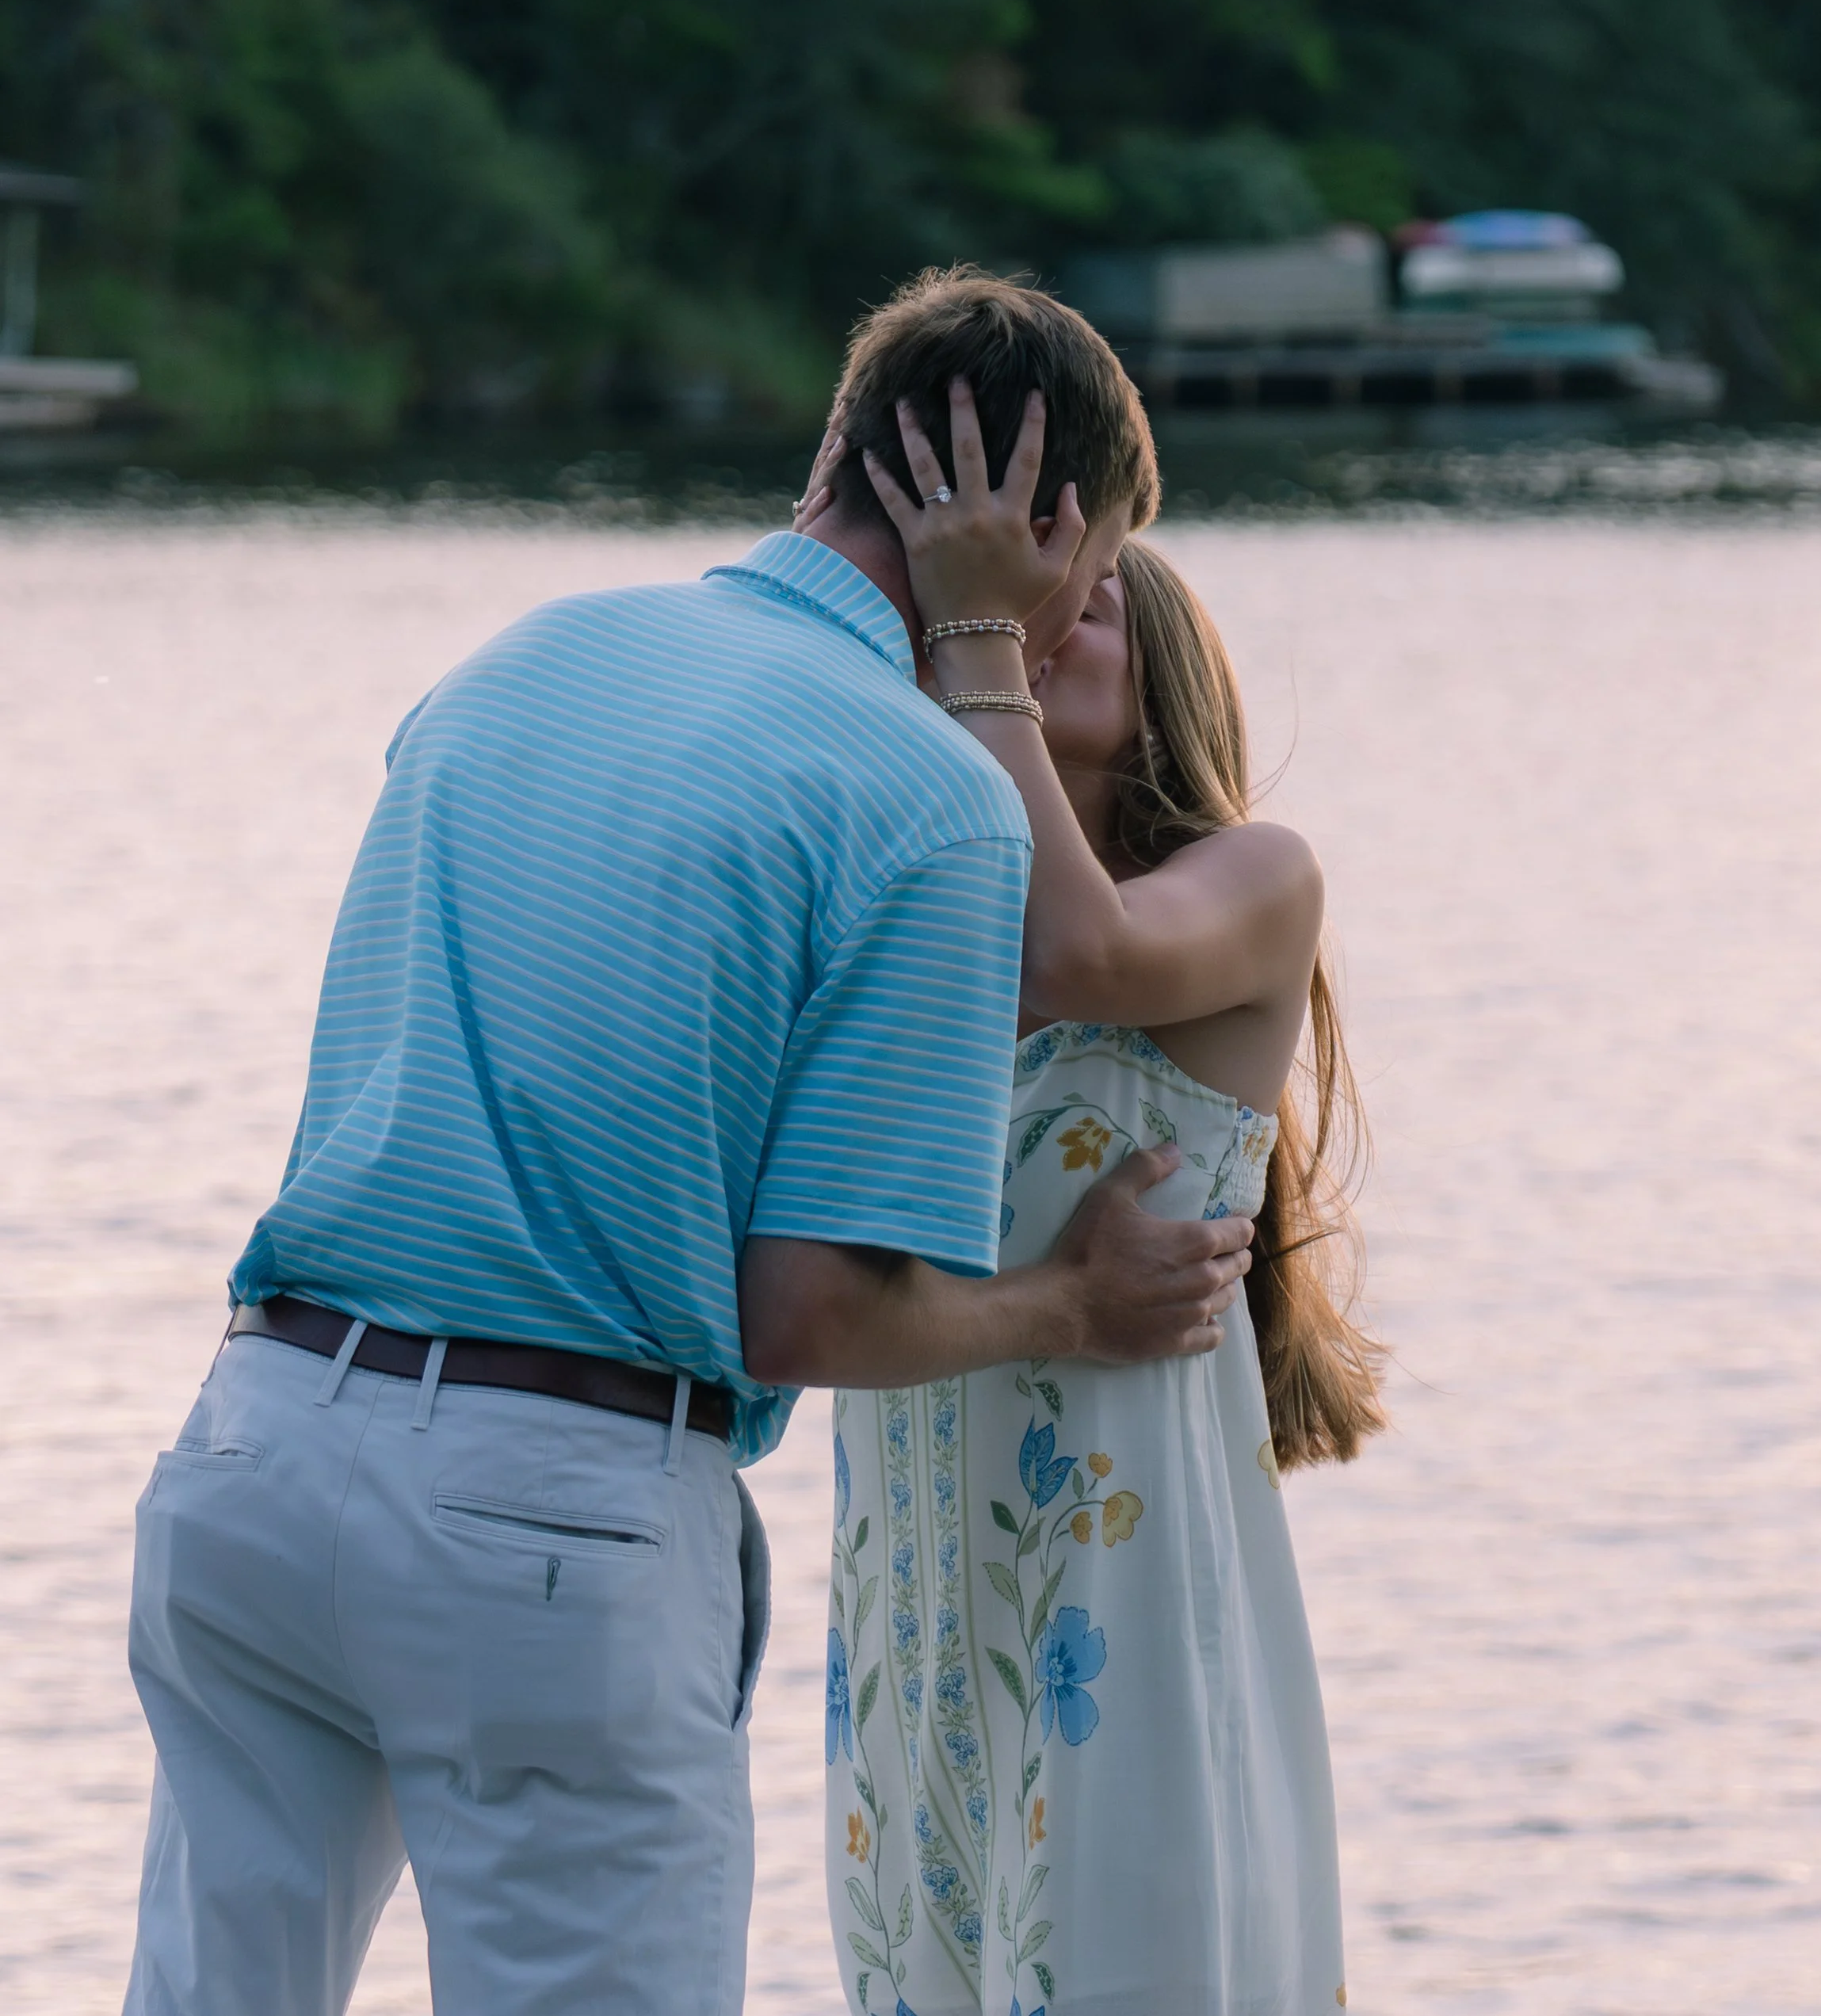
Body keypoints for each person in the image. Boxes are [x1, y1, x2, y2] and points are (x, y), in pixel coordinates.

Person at [120, 269, 1258, 2016]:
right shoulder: (928, 791)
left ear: (833, 452)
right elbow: (808, 1312)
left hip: (254, 1452)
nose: (1085, 609)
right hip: (546, 1520)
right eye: (1093, 565)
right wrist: (1072, 1304)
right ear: (1035, 527)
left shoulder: (523, 654)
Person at [816, 394, 1386, 2016]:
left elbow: (1080, 956)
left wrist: (979, 629)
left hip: (1117, 1626)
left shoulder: (1256, 878)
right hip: (916, 1625)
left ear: (1175, 678)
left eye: (1099, 588)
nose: (1058, 607)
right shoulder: (906, 924)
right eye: (1027, 589)